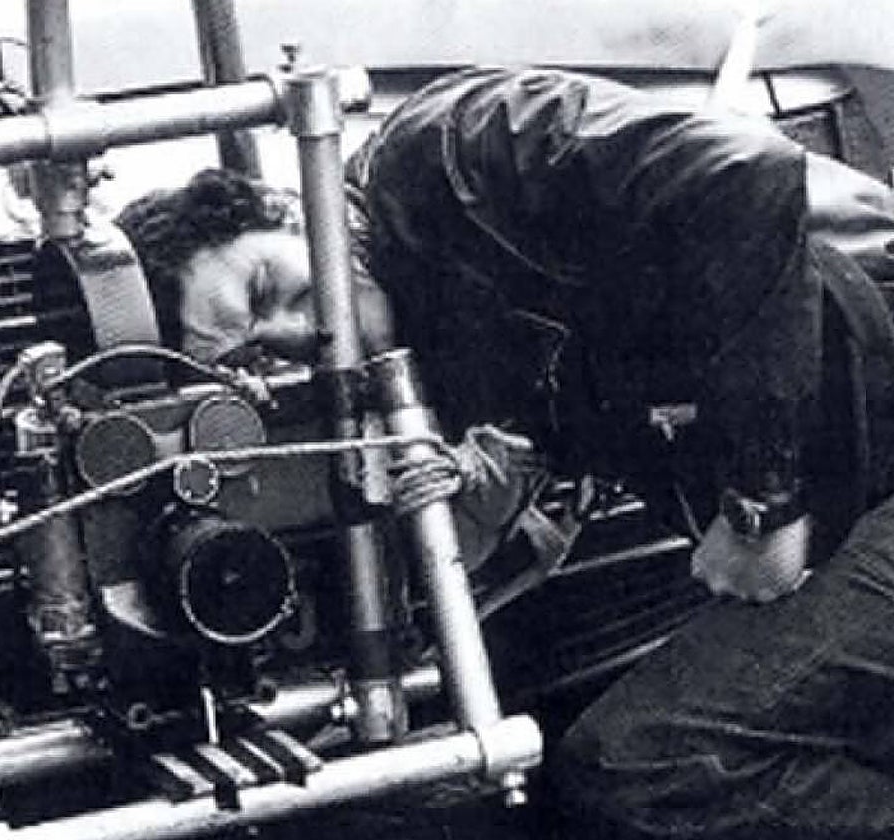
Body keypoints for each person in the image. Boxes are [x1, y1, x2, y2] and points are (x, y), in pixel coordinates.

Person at [117, 65, 894, 839]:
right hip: (854, 495)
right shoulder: (421, 348)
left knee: (650, 762)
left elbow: (747, 173)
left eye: (261, 290)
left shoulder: (454, 147)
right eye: (255, 353)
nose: (293, 332)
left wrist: (761, 505)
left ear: (285, 209)